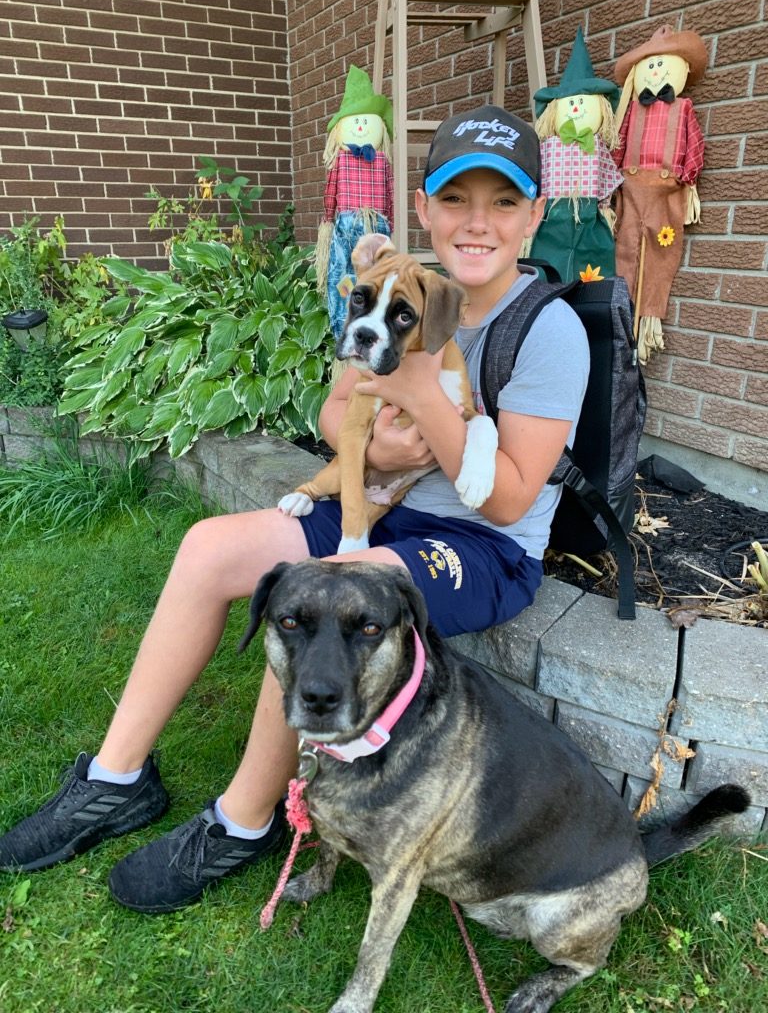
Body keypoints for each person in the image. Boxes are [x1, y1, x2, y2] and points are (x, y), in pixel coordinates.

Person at [0, 105, 589, 914]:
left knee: (327, 594)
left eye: (503, 202)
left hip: (480, 544)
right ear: (423, 208)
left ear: (535, 215)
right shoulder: (394, 290)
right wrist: (378, 454)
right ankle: (116, 778)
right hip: (382, 503)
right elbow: (332, 412)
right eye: (457, 199)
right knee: (209, 546)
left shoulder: (550, 331)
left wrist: (423, 395)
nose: (477, 222)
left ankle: (244, 821)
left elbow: (511, 494)